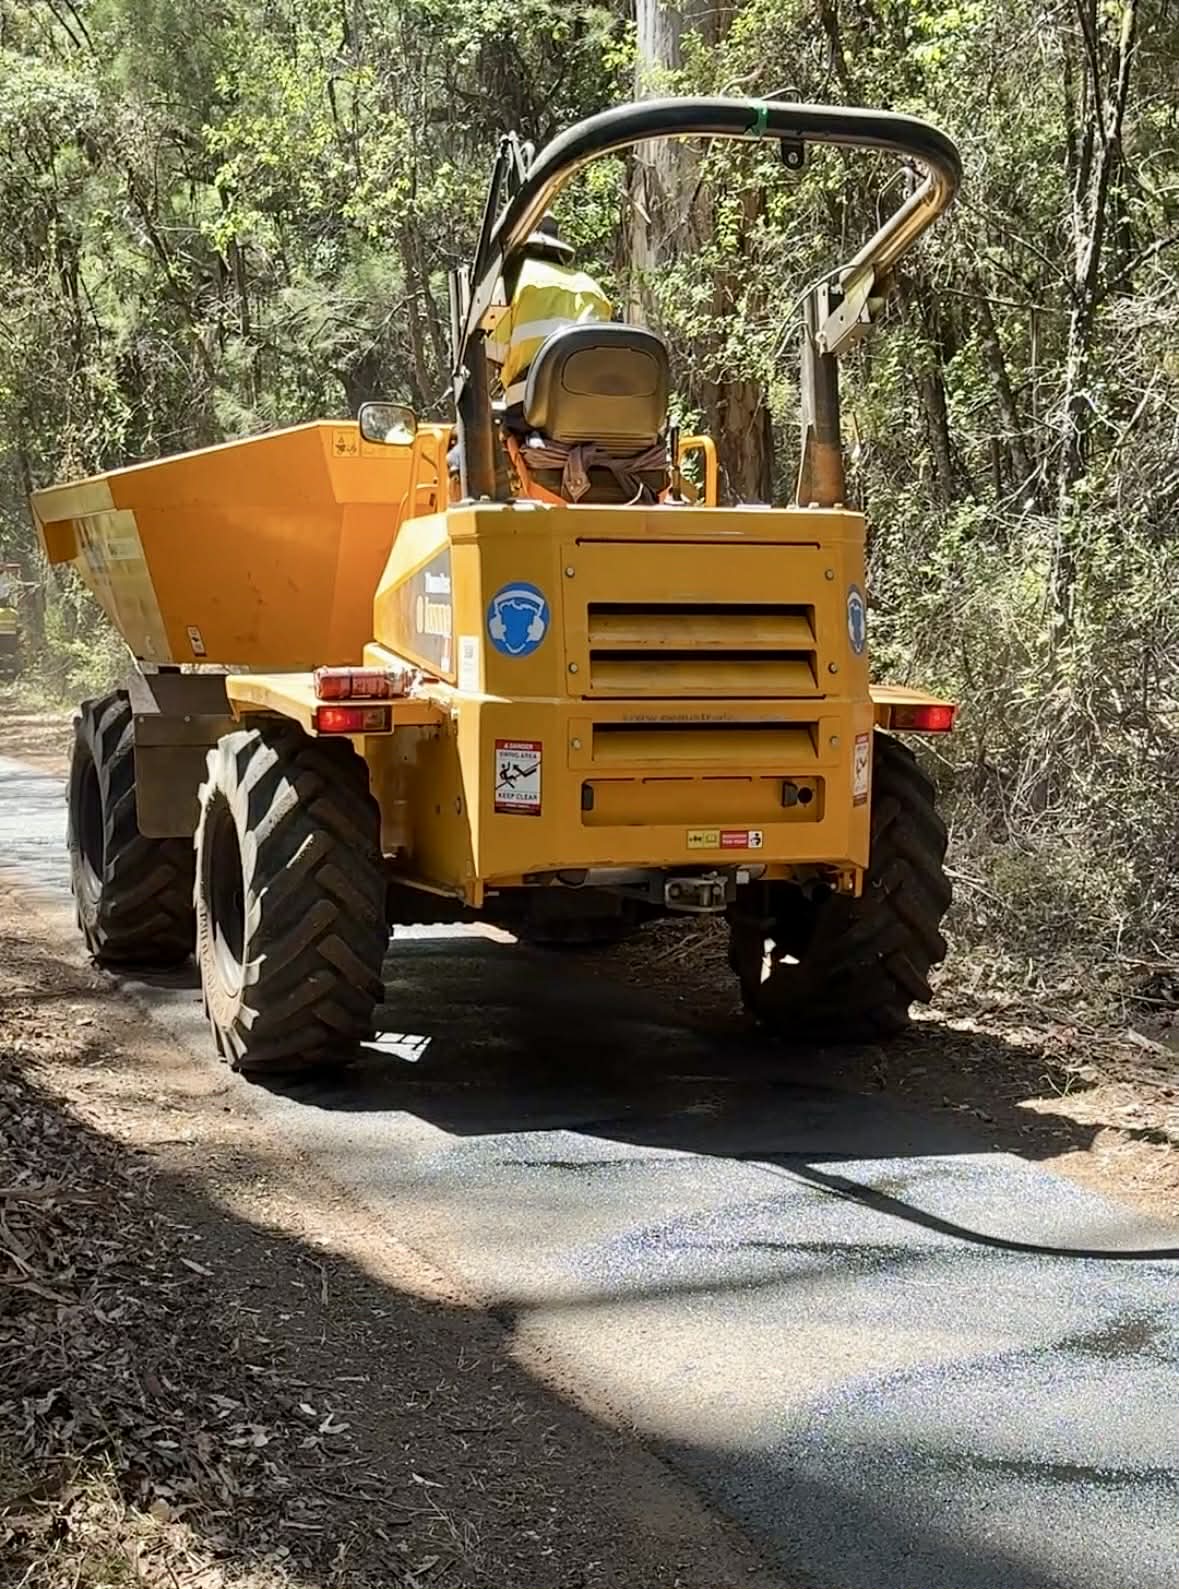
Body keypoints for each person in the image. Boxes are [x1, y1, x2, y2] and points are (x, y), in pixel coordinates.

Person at [488, 214, 612, 422]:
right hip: (584, 407)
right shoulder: (591, 288)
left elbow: (492, 354)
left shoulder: (512, 281)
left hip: (527, 405)